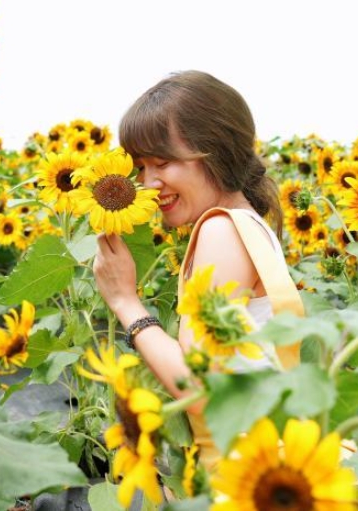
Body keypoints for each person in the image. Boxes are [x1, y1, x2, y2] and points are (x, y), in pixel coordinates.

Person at [92, 70, 303, 470]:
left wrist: (126, 302)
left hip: (241, 470)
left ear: (215, 151)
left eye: (163, 162)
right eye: (141, 167)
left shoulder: (220, 230)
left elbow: (201, 387)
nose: (148, 184)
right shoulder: (248, 224)